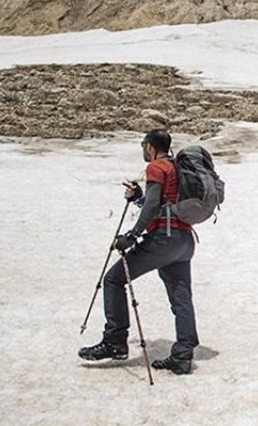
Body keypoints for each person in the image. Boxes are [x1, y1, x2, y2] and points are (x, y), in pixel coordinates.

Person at [79, 129, 199, 375]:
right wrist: (139, 198)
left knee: (113, 279)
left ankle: (115, 341)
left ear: (150, 147)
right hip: (184, 240)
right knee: (181, 297)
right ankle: (183, 355)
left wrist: (132, 236)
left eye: (143, 145)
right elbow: (160, 202)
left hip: (163, 240)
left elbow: (155, 204)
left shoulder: (156, 168)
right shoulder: (178, 168)